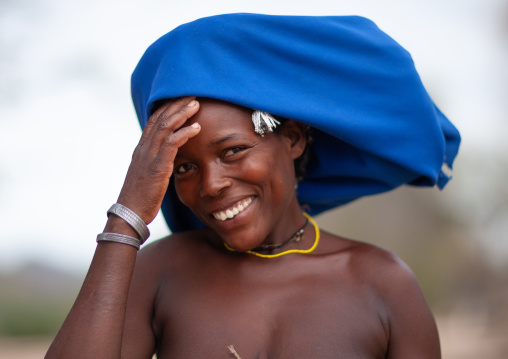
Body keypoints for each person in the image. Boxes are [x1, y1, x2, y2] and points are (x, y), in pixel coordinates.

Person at [46, 14, 460, 358]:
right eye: (184, 168)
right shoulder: (161, 273)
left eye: (232, 151)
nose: (210, 184)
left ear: (293, 138)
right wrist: (127, 216)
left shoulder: (382, 283)